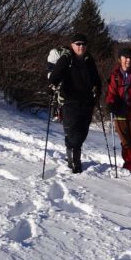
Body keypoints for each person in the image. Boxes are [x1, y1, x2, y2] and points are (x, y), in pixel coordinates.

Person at [48, 33, 102, 174]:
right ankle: (75, 161)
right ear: (72, 45)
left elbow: (96, 79)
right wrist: (51, 86)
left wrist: (98, 90)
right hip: (70, 100)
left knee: (83, 131)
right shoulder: (67, 59)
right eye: (78, 44)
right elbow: (55, 76)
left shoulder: (89, 60)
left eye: (83, 44)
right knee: (74, 131)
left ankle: (70, 151)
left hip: (87, 101)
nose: (81, 47)